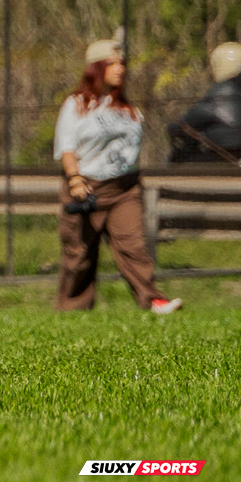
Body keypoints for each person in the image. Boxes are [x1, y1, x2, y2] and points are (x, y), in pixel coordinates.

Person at [55, 37, 183, 314]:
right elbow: (66, 148)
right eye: (111, 63)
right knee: (79, 258)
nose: (120, 69)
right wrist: (75, 180)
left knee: (133, 246)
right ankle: (71, 310)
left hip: (124, 188)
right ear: (96, 68)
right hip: (86, 188)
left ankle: (153, 300)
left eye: (122, 63)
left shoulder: (126, 108)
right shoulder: (76, 105)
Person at [168, 43, 241, 163]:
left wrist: (173, 127)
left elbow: (183, 125)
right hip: (238, 156)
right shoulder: (240, 94)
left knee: (181, 156)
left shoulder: (217, 95)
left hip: (221, 159)